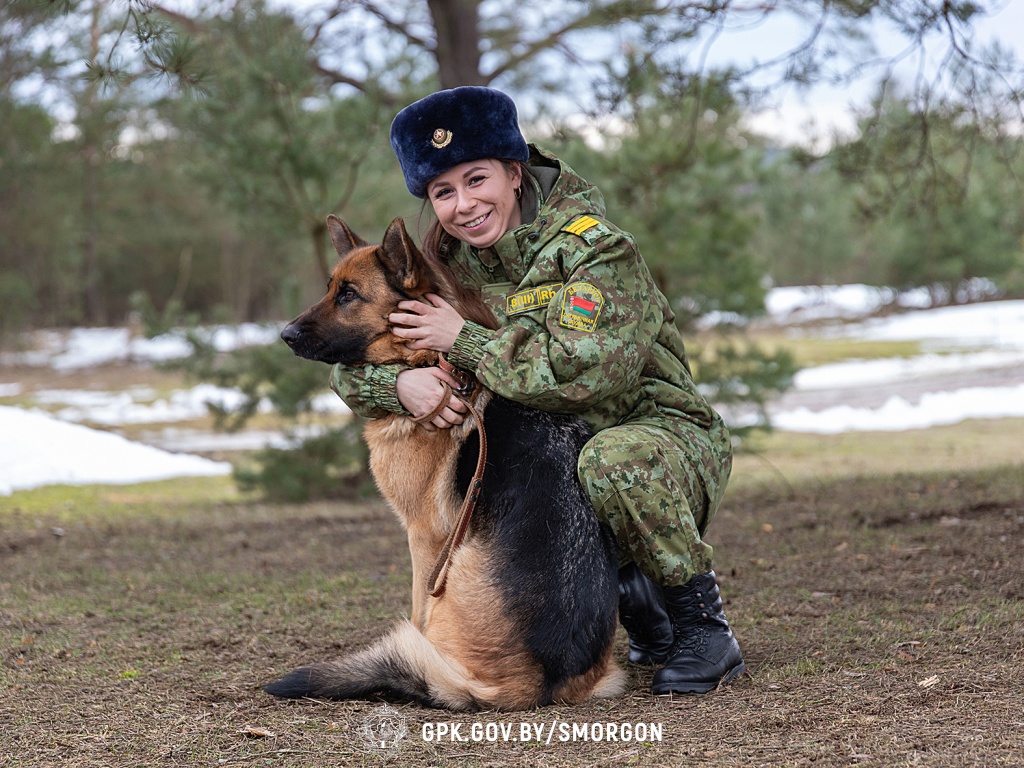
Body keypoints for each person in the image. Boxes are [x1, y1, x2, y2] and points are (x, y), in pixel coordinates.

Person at [329, 86, 745, 695]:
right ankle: (636, 602)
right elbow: (353, 355)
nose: (464, 205)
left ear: (515, 172)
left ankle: (702, 626)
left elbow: (581, 376)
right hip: (559, 464)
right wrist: (400, 383)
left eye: (477, 180)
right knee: (552, 475)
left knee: (609, 460)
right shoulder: (447, 266)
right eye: (444, 192)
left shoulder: (593, 250)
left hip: (657, 442)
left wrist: (463, 339)